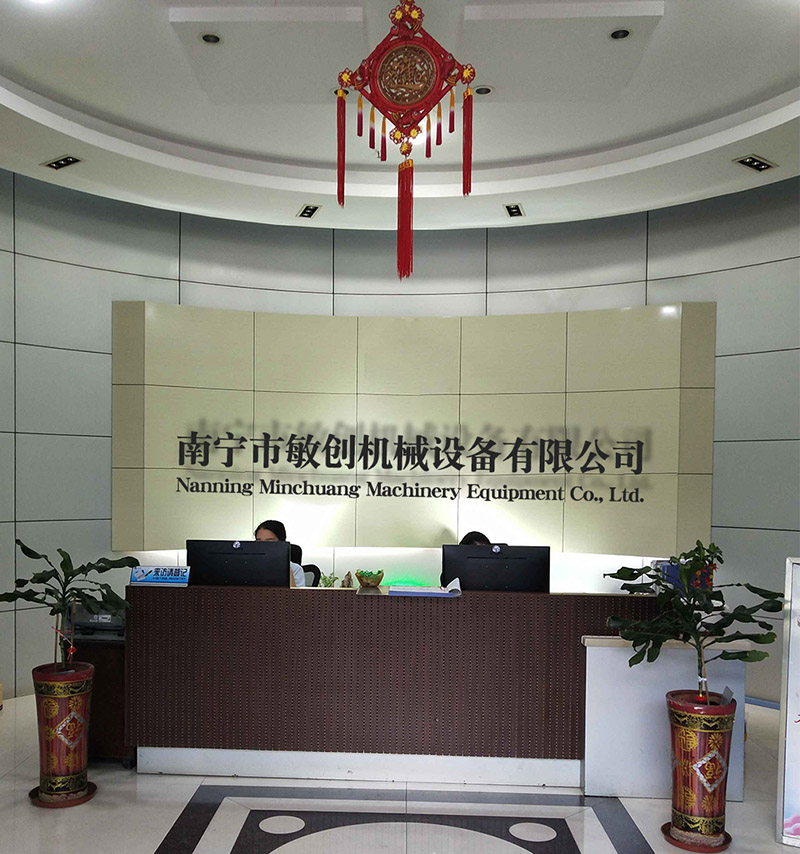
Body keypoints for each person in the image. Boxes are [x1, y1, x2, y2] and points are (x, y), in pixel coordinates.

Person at [254, 519, 305, 587]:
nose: (263, 546)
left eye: (270, 542)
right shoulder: (250, 566)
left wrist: (287, 570)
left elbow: (296, 594)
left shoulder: (295, 569)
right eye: (259, 542)